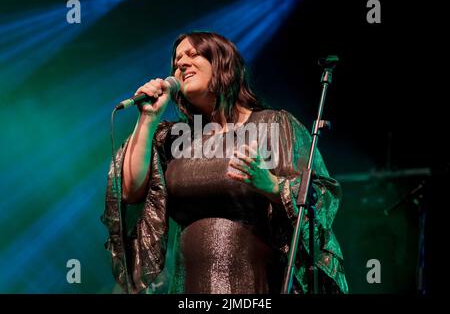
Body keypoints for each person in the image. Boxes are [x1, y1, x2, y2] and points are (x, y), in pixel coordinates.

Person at [101, 31, 348, 294]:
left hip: (258, 287)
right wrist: (148, 118)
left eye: (193, 54)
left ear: (223, 64)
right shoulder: (170, 139)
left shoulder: (273, 124)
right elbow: (129, 191)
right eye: (176, 60)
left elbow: (322, 196)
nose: (181, 63)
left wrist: (274, 186)